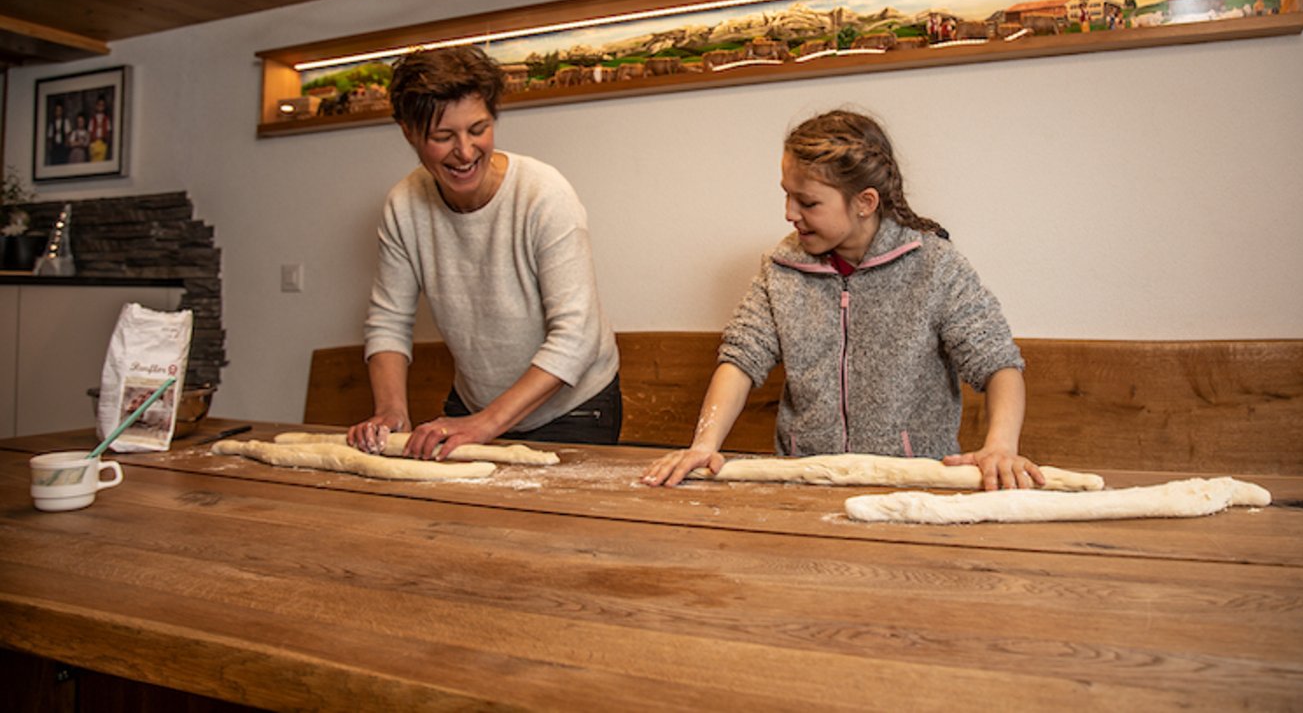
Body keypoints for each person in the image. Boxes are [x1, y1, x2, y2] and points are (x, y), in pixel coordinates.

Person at [643, 109, 1044, 491]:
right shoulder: (781, 268)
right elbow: (741, 359)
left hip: (916, 487)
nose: (789, 213)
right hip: (803, 482)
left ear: (865, 203)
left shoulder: (935, 266)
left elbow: (998, 365)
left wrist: (1001, 447)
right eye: (787, 196)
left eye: (808, 202)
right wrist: (704, 443)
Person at [348, 46, 621, 460]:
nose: (465, 151)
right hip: (475, 402)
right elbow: (389, 322)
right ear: (409, 132)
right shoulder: (404, 205)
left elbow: (577, 337)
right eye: (443, 136)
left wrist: (486, 424)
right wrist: (391, 413)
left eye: (478, 129)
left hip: (576, 407)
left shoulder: (544, 194)